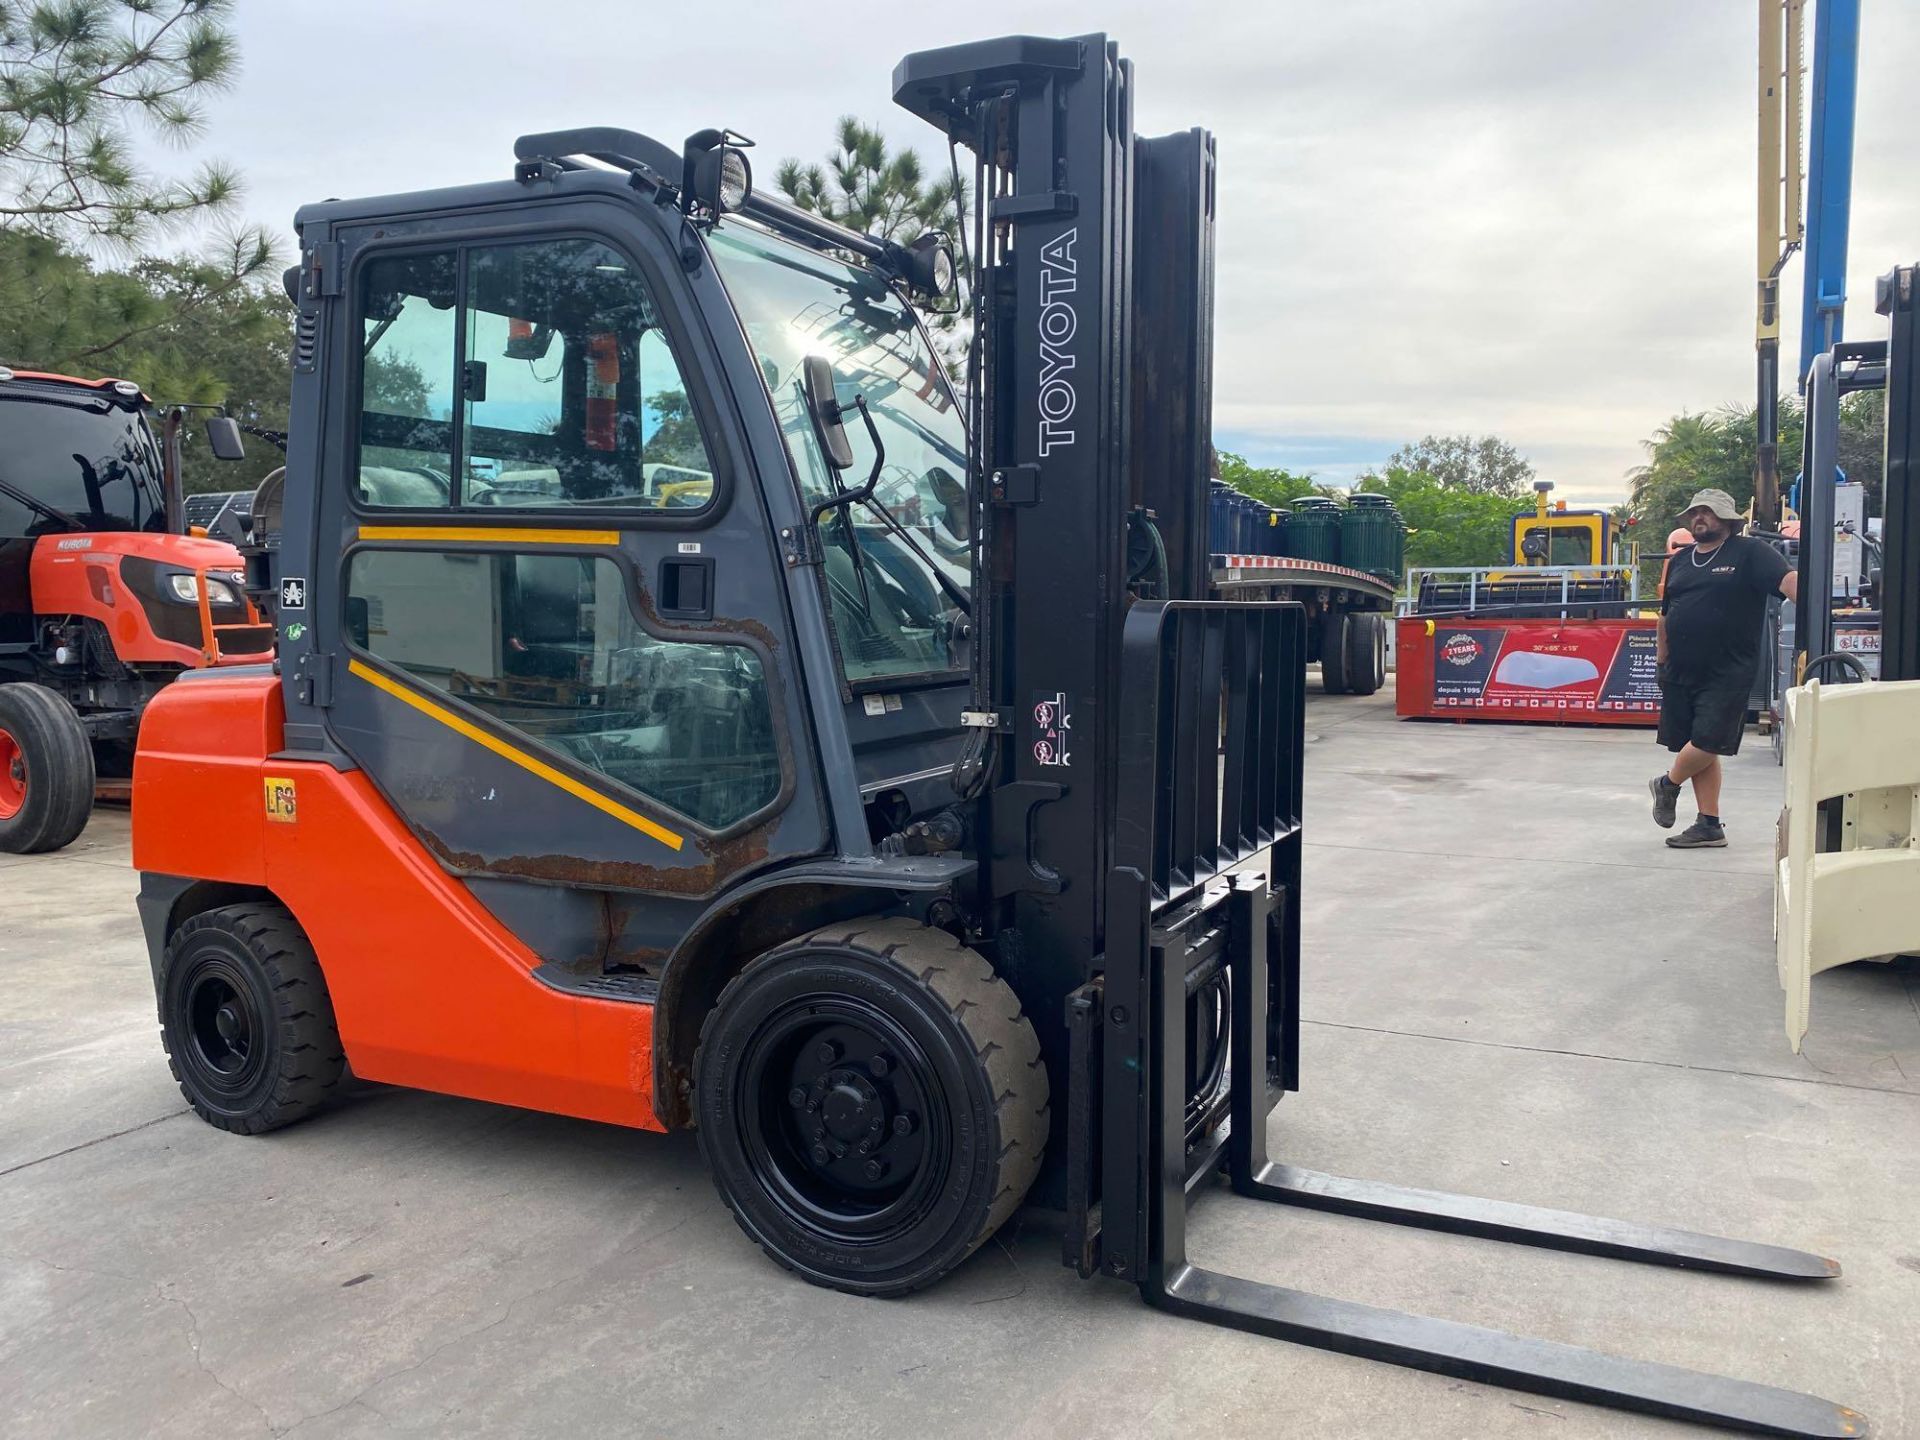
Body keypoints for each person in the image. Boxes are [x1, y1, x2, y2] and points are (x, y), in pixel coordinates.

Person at [1649, 489, 1798, 848]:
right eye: (1695, 512)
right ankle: (1709, 824)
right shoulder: (1681, 560)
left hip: (1728, 670)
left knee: (1708, 740)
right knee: (1696, 744)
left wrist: (1820, 607)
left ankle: (1667, 785)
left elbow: (1790, 584)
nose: (1700, 517)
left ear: (1728, 519)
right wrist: (1661, 657)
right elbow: (1666, 612)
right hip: (1681, 669)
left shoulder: (1750, 553)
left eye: (1709, 512)